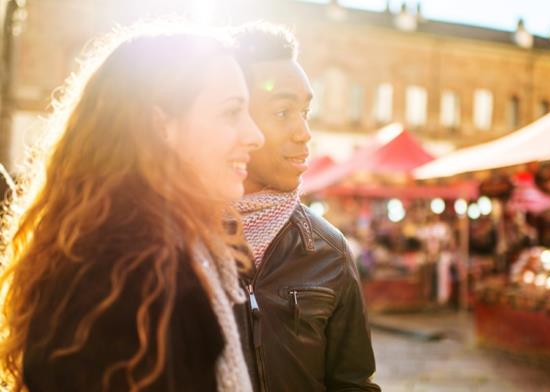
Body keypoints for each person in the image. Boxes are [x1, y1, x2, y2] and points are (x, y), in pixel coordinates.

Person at [0, 23, 264, 391]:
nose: (255, 135)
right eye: (231, 112)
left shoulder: (156, 253)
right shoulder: (138, 277)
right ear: (161, 125)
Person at [230, 23, 380, 391]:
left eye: (306, 112)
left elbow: (353, 383)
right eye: (283, 112)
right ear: (233, 116)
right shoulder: (176, 241)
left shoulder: (328, 250)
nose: (304, 132)